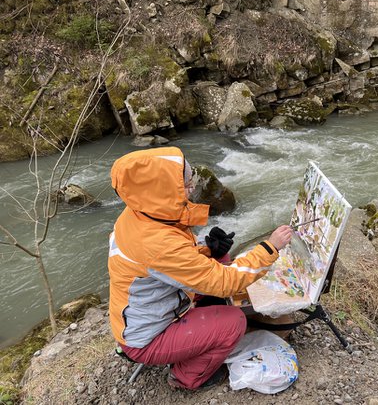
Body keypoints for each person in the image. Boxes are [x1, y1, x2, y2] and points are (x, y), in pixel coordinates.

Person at [108, 146, 292, 390]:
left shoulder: (141, 214)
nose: (192, 187)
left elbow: (170, 264)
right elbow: (223, 282)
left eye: (189, 179)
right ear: (161, 190)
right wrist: (270, 248)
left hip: (145, 316)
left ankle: (197, 331)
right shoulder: (156, 242)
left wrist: (209, 250)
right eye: (184, 184)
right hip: (146, 338)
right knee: (234, 322)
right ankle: (186, 378)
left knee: (221, 260)